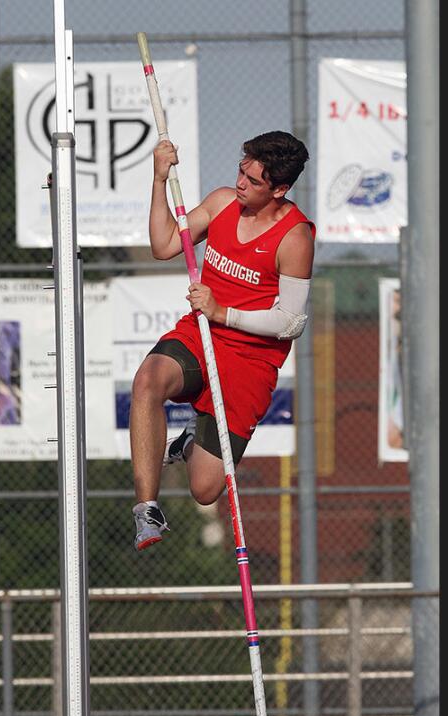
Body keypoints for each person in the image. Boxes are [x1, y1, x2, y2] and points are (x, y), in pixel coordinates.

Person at [130, 130, 315, 550]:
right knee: (148, 380)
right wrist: (159, 178)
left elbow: (291, 322)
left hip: (250, 361)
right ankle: (146, 509)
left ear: (280, 189)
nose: (242, 183)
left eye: (254, 180)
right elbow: (162, 245)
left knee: (205, 489)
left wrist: (223, 312)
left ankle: (192, 442)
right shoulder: (222, 203)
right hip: (201, 335)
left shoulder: (294, 237)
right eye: (241, 171)